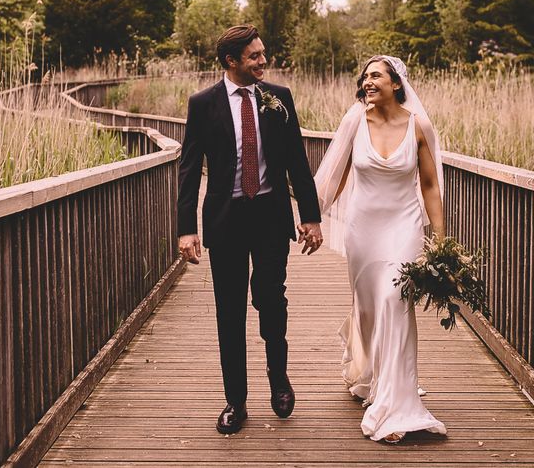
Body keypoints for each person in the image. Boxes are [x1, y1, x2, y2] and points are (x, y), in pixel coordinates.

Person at [177, 24, 323, 435]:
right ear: (232, 61)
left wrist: (310, 216)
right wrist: (186, 228)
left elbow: (297, 159)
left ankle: (278, 378)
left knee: (271, 301)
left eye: (263, 53)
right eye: (254, 56)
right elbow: (189, 169)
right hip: (225, 220)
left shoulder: (280, 98)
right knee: (229, 310)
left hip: (271, 217)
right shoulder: (203, 104)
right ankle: (235, 402)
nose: (263, 61)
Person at [314, 55, 448, 443]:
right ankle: (370, 373)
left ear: (396, 84)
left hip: (403, 226)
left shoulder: (418, 125)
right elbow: (335, 176)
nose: (368, 81)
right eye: (366, 76)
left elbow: (429, 186)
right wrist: (310, 219)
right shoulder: (354, 120)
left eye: (376, 76)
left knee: (394, 300)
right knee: (370, 308)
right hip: (363, 229)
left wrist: (438, 241)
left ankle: (395, 405)